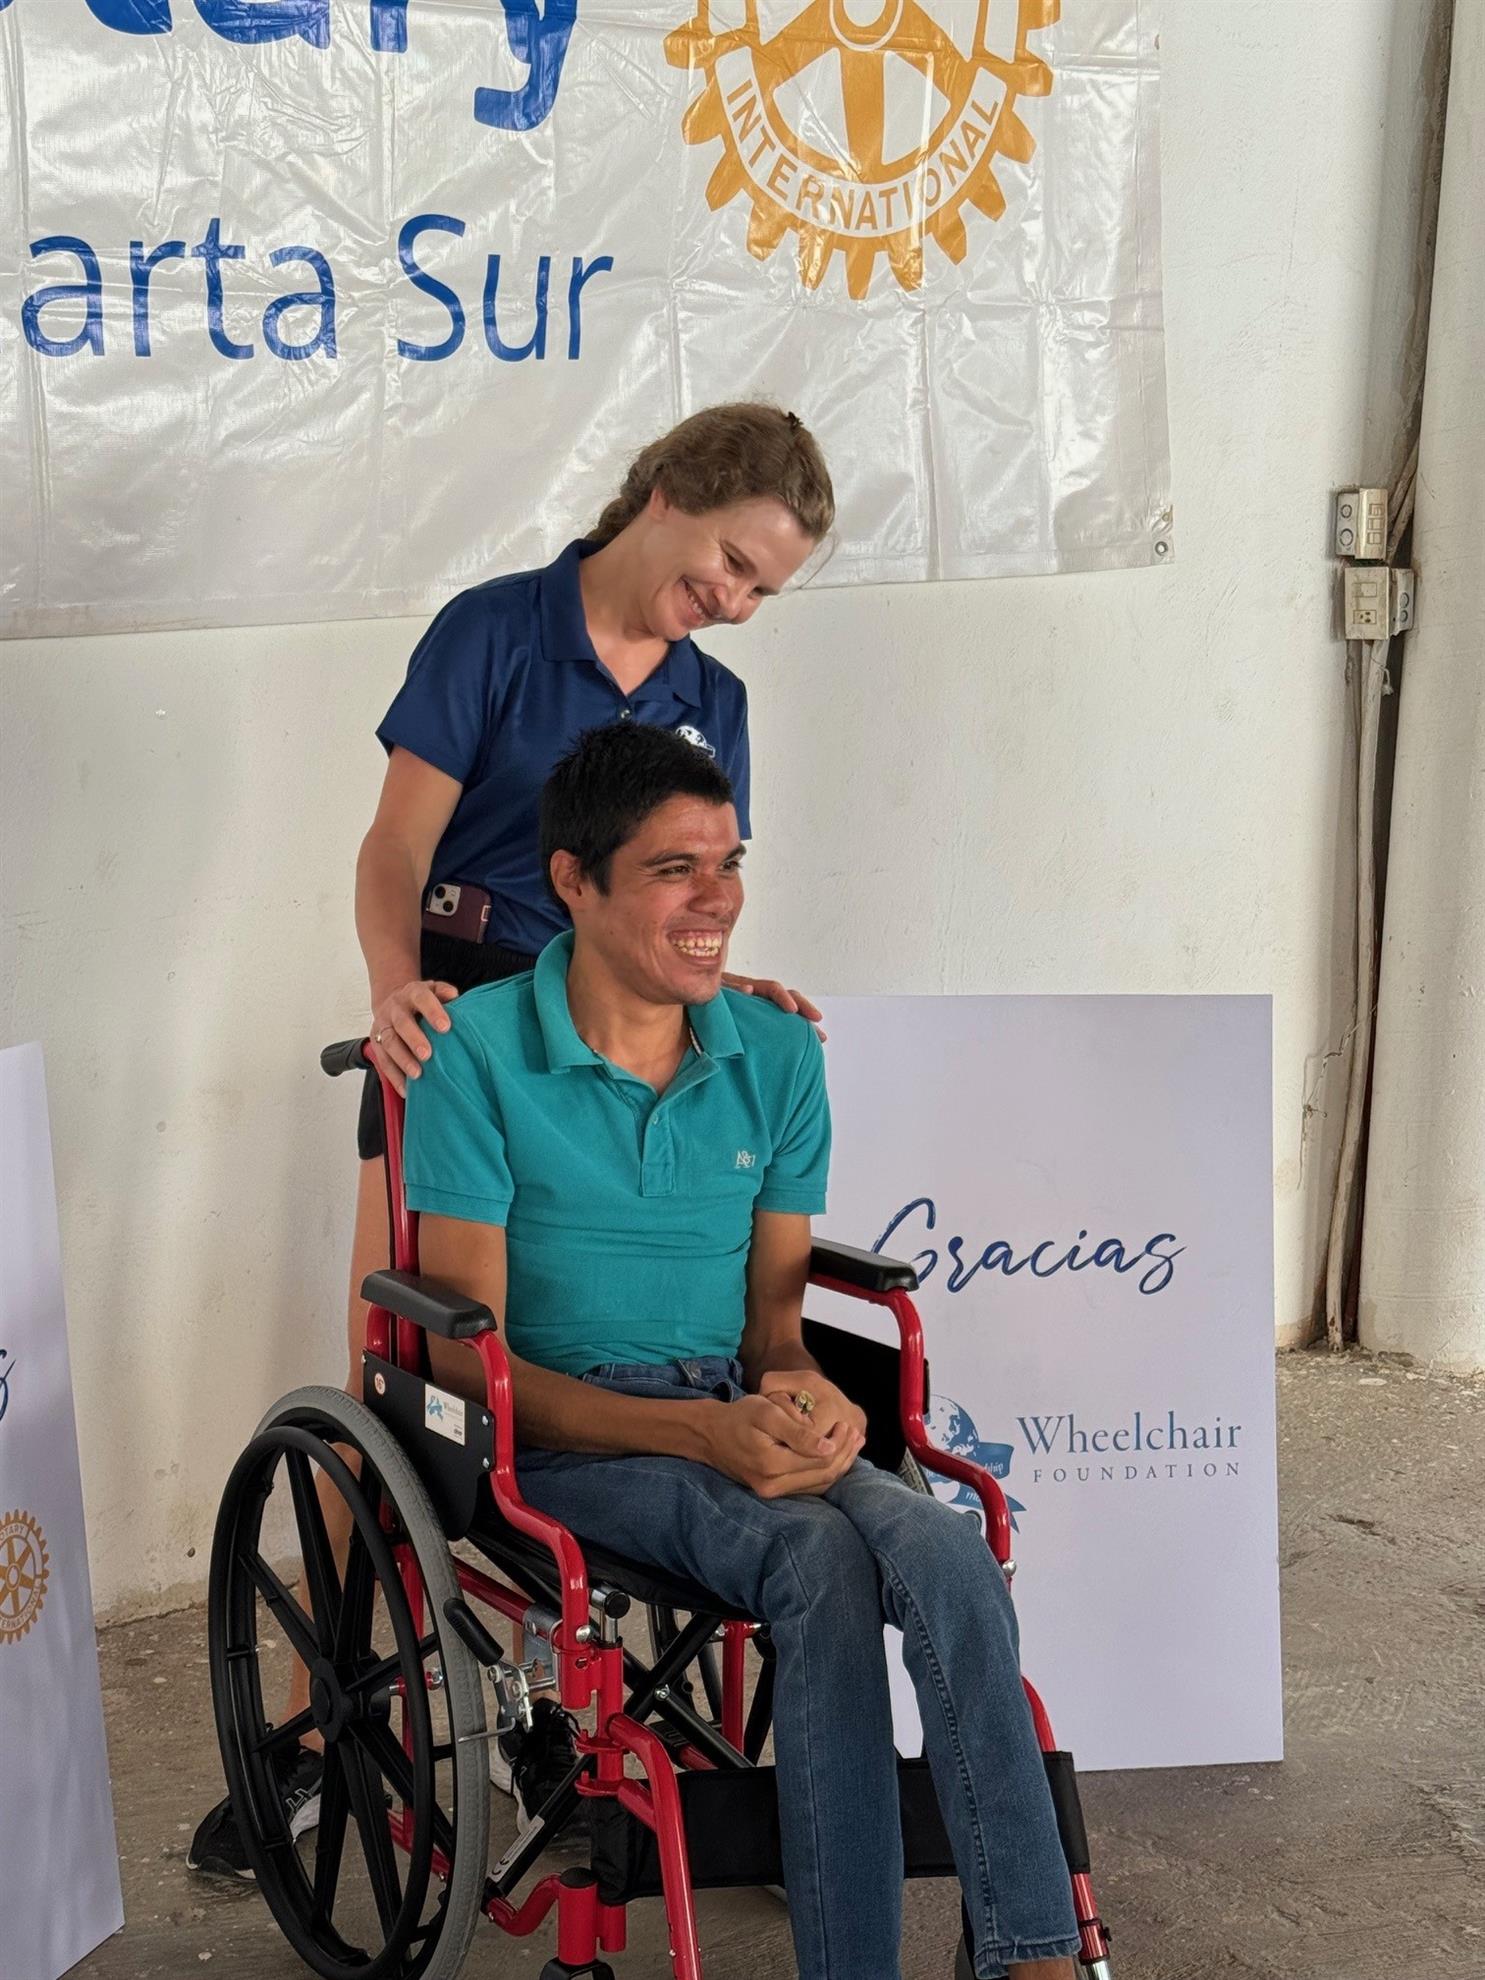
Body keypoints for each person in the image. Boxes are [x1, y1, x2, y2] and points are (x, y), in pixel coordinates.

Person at [188, 404, 835, 1881]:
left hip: (617, 1039)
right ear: (667, 497)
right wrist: (394, 990)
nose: (734, 603)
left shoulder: (710, 698)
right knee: (402, 1380)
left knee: (620, 1334)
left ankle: (593, 1693)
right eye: (729, 563)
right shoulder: (493, 633)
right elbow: (392, 851)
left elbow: (670, 886)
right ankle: (316, 1731)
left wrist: (721, 981)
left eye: (761, 592)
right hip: (468, 1031)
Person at [402, 723, 1083, 1980]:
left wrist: (806, 1393)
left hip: (724, 1404)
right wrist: (696, 1433)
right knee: (816, 1556)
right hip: (558, 1440)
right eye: (675, 869)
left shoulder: (773, 1054)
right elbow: (463, 1366)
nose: (718, 899)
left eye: (731, 861)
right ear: (574, 880)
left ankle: (1033, 1955)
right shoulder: (478, 1059)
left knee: (948, 1539)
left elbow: (773, 1329)